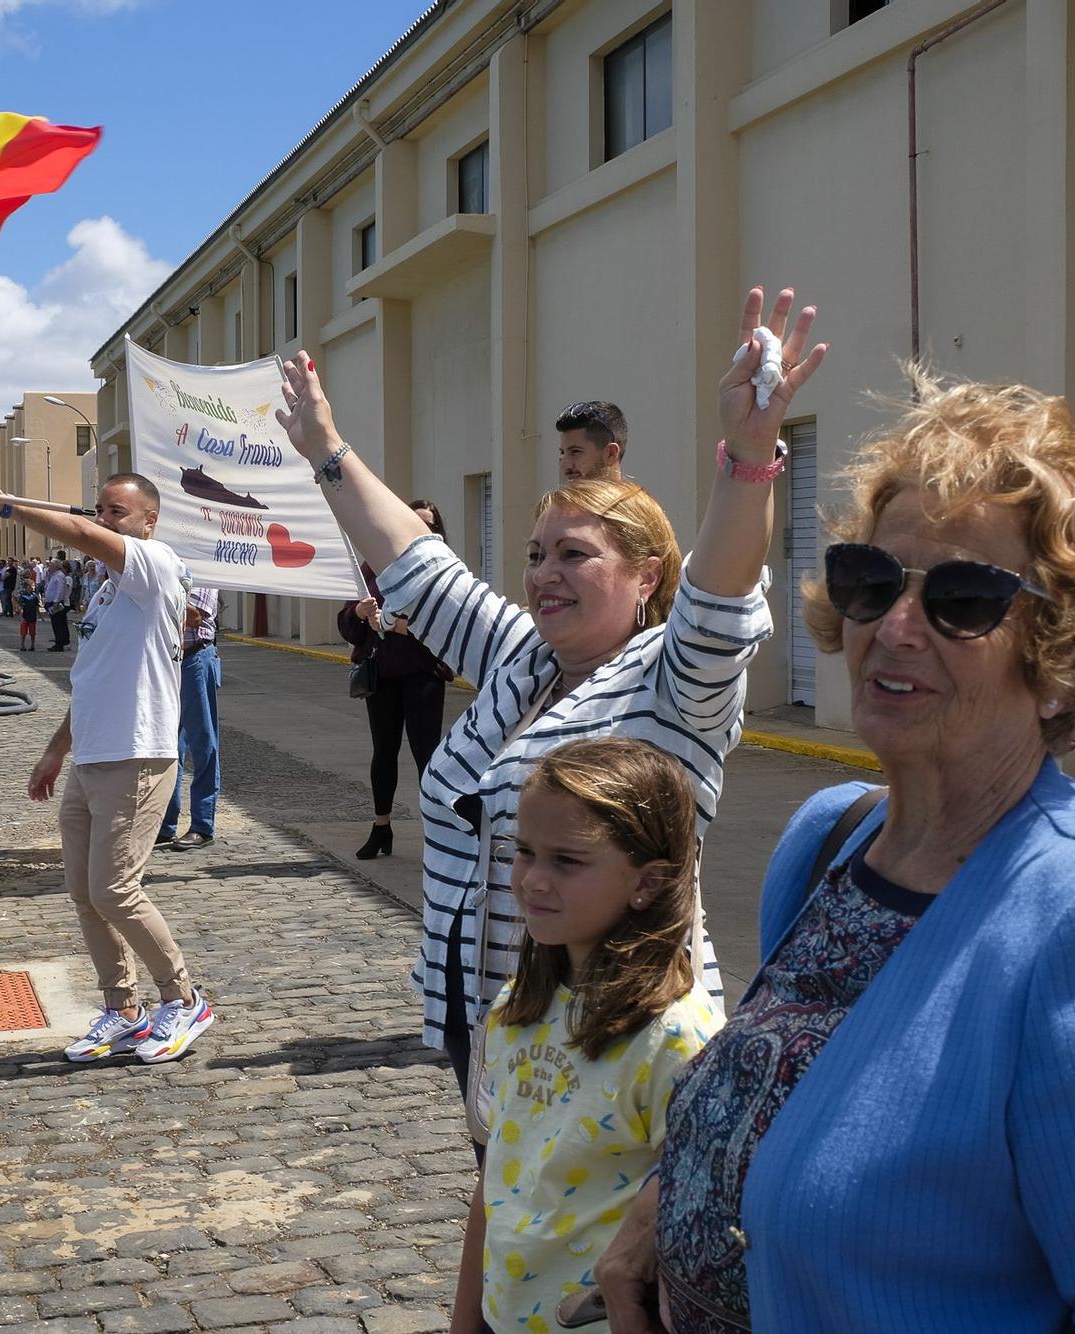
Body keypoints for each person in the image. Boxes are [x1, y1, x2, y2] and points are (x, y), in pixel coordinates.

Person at [595, 374, 1075, 1331]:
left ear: (1060, 658)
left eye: (963, 597)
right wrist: (667, 1199)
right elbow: (781, 1090)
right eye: (873, 583)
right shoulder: (830, 839)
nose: (896, 626)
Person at [276, 287, 823, 1110]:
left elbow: (716, 607)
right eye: (535, 555)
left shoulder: (675, 685)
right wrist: (325, 448)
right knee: (504, 1207)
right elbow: (420, 566)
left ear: (645, 576)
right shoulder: (521, 658)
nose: (543, 575)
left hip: (618, 1037)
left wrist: (750, 459)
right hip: (491, 1012)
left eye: (574, 554)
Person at [454, 739, 718, 1333]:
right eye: (524, 852)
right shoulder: (517, 1007)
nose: (533, 881)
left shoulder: (676, 1039)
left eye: (567, 861)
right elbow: (496, 1179)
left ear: (647, 883)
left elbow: (691, 1226)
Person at [0, 474, 215, 1064]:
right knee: (84, 892)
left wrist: (6, 504)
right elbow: (93, 682)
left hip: (137, 756)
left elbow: (77, 532)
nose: (103, 519)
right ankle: (122, 1009)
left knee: (115, 890)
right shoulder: (104, 594)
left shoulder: (155, 567)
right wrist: (56, 749)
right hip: (92, 758)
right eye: (100, 509)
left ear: (149, 521)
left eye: (117, 511)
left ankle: (182, 998)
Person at [337, 501, 455, 860]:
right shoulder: (374, 567)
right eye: (414, 522)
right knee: (383, 753)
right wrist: (358, 613)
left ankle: (439, 835)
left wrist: (396, 625)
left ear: (436, 533)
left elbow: (450, 624)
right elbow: (347, 626)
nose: (420, 530)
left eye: (428, 526)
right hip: (383, 676)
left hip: (422, 676)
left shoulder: (442, 571)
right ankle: (381, 827)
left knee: (427, 756)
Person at [157, 583, 221, 851]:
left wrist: (157, 595)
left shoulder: (203, 573)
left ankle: (202, 826)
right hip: (167, 662)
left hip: (195, 659)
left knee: (203, 743)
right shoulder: (168, 569)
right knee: (169, 746)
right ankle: (164, 824)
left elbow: (194, 616)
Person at [555, 400, 628, 482]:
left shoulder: (636, 495)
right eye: (562, 453)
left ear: (611, 453)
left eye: (575, 451)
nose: (564, 465)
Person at [43, 559, 72, 652]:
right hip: (51, 602)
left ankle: (59, 644)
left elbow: (60, 589)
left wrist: (56, 601)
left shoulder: (59, 575)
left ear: (56, 566)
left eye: (51, 566)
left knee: (58, 624)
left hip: (56, 603)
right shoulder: (53, 575)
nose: (49, 567)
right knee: (57, 623)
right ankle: (61, 641)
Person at [17, 575, 40, 651]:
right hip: (25, 616)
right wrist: (21, 616)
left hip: (32, 616)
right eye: (32, 586)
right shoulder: (23, 596)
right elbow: (21, 607)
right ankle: (22, 645)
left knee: (32, 632)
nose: (33, 587)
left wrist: (39, 614)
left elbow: (37, 606)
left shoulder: (35, 596)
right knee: (23, 632)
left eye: (34, 586)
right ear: (27, 587)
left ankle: (32, 645)